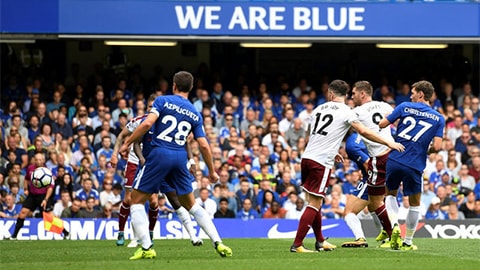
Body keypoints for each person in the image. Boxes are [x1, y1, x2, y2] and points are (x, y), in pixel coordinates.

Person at [119, 71, 232, 259]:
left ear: (173, 86)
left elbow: (147, 124)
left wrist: (127, 142)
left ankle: (147, 248)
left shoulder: (162, 101)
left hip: (159, 154)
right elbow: (203, 144)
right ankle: (218, 243)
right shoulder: (195, 113)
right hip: (180, 158)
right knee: (192, 205)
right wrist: (212, 171)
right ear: (191, 88)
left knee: (136, 202)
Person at [290, 79, 404, 253]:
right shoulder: (348, 112)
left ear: (330, 94)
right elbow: (364, 131)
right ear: (344, 94)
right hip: (321, 161)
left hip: (307, 157)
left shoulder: (318, 109)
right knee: (314, 204)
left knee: (314, 202)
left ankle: (320, 240)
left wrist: (332, 149)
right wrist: (389, 143)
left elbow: (311, 135)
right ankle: (297, 244)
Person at [112, 94, 201, 247]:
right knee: (130, 199)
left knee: (157, 201)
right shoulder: (140, 122)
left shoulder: (166, 123)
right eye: (150, 106)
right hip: (137, 163)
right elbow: (125, 138)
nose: (153, 109)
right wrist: (117, 153)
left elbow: (185, 142)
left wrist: (191, 160)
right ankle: (129, 235)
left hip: (158, 164)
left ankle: (153, 234)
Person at [379, 80, 445, 251]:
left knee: (390, 195)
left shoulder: (404, 106)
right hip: (415, 164)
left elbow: (382, 124)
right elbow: (437, 147)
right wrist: (424, 150)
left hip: (395, 158)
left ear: (421, 94)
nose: (410, 95)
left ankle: (394, 225)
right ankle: (408, 241)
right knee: (415, 204)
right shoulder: (439, 118)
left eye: (413, 92)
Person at [347, 81, 398, 247]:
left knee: (376, 203)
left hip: (380, 158)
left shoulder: (356, 112)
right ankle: (390, 230)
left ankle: (392, 234)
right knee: (387, 196)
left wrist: (385, 142)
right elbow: (400, 123)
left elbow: (363, 132)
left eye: (353, 93)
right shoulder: (384, 106)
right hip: (394, 156)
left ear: (362, 94)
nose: (351, 96)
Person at [9, 153, 69, 239]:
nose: (38, 161)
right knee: (22, 213)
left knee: (50, 217)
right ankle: (14, 236)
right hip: (32, 196)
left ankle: (66, 232)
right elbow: (26, 179)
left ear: (43, 160)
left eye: (40, 160)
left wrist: (46, 199)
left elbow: (50, 188)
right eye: (37, 159)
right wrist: (26, 189)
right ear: (34, 160)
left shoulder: (47, 171)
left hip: (43, 197)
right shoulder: (30, 168)